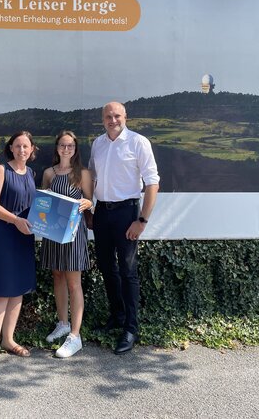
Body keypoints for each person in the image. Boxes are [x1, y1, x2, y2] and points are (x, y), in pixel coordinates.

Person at [89, 101, 159, 354]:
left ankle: (131, 327)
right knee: (108, 268)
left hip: (127, 213)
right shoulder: (97, 144)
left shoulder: (139, 143)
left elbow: (152, 183)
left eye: (117, 115)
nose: (112, 119)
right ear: (102, 119)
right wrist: (89, 210)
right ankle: (117, 317)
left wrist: (141, 220)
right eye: (108, 116)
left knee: (128, 271)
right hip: (102, 213)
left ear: (125, 116)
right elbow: (91, 178)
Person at [0, 131, 38, 374]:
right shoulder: (2, 170)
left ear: (32, 149)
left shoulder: (33, 173)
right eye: (17, 146)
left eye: (26, 146)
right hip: (5, 237)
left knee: (17, 292)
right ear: (11, 149)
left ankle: (9, 340)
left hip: (25, 238)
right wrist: (15, 220)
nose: (22, 150)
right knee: (0, 293)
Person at [40, 130, 93, 358]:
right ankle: (62, 323)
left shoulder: (83, 173)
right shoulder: (49, 173)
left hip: (73, 233)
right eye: (62, 145)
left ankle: (75, 335)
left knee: (74, 283)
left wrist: (87, 202)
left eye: (70, 146)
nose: (66, 149)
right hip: (53, 231)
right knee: (58, 276)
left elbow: (90, 201)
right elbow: (44, 201)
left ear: (75, 148)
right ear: (57, 147)